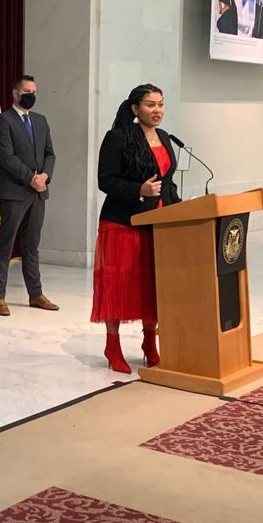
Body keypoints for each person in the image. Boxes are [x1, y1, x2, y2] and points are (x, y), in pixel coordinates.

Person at [91, 84, 180, 374]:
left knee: (153, 284)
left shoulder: (165, 138)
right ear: (135, 109)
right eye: (151, 105)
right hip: (123, 222)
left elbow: (166, 181)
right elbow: (106, 181)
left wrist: (178, 207)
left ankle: (149, 344)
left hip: (160, 222)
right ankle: (112, 346)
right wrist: (138, 190)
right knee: (119, 286)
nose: (157, 111)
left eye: (161, 104)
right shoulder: (117, 138)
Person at [0, 75, 58, 317]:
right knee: (6, 244)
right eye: (27, 90)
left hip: (39, 193)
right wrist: (31, 177)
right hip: (14, 191)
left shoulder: (41, 120)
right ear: (15, 94)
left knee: (32, 246)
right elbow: (7, 158)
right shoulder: (2, 120)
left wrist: (45, 177)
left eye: (35, 91)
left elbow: (50, 153)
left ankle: (35, 294)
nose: (31, 94)